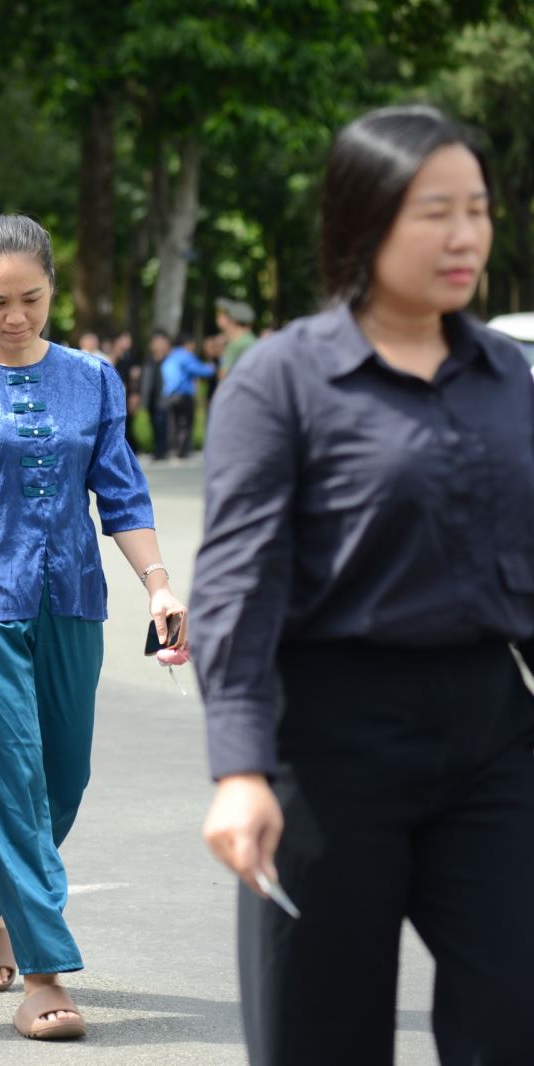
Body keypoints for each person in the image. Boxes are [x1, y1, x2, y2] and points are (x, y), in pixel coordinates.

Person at [193, 105, 534, 1066]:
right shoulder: (282, 381)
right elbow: (238, 585)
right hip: (327, 748)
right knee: (322, 1036)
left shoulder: (509, 377)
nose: (464, 235)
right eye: (435, 211)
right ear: (364, 219)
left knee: (515, 1018)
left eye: (477, 209)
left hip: (493, 737)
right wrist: (241, 769)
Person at [0, 214, 187, 1041]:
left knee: (62, 780)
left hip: (72, 599)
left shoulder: (93, 378)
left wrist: (159, 586)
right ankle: (44, 975)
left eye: (30, 299)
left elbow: (121, 492)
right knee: (18, 781)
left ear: (52, 291)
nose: (15, 316)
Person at [158, 331, 214, 459]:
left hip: (169, 394)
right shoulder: (186, 355)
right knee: (185, 423)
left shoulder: (170, 356)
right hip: (183, 394)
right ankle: (182, 451)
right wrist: (211, 368)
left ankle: (172, 449)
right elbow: (200, 370)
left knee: (172, 423)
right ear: (187, 344)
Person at [214, 298, 258, 382]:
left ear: (230, 319)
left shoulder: (236, 344)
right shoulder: (251, 340)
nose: (217, 318)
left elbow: (223, 378)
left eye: (220, 315)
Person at [143, 330, 172, 458]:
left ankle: (163, 449)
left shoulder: (170, 361)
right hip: (151, 398)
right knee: (154, 423)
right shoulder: (149, 361)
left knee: (163, 423)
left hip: (165, 397)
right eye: (156, 342)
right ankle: (158, 449)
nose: (159, 345)